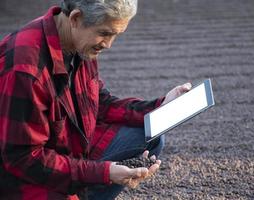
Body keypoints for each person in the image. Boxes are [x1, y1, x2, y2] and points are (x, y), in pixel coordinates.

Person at [0, 0, 192, 199]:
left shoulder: (76, 40)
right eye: (105, 33)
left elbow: (99, 103)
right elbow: (22, 159)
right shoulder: (26, 70)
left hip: (65, 153)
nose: (109, 44)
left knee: (151, 132)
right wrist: (104, 173)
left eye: (115, 35)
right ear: (75, 18)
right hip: (21, 178)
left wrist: (160, 107)